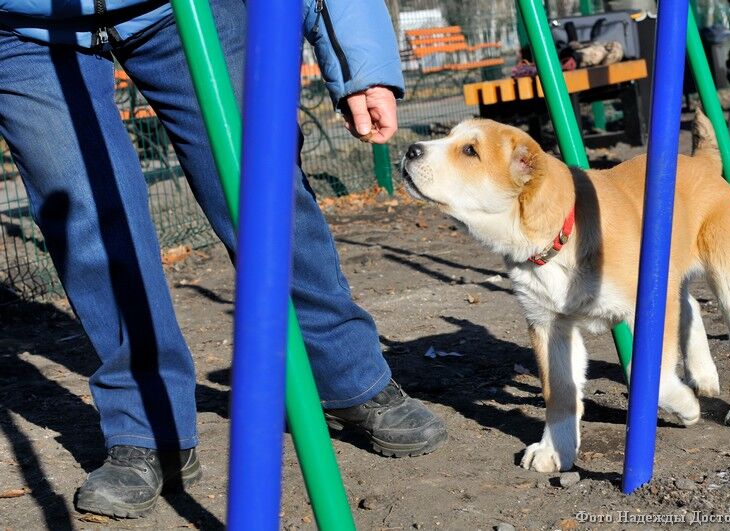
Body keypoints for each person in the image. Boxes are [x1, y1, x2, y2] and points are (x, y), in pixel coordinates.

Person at [0, 0, 447, 519]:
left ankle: (349, 376)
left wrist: (359, 63)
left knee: (261, 185)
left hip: (185, 8)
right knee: (85, 213)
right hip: (24, 28)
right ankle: (149, 428)